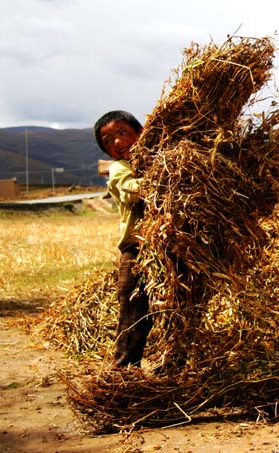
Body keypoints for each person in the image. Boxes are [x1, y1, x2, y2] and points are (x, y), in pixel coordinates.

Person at [94, 110, 152, 368]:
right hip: (136, 249)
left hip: (172, 248)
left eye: (122, 133)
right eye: (108, 142)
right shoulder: (119, 168)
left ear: (140, 133)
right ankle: (123, 372)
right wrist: (167, 181)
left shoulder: (155, 160)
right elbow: (131, 191)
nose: (117, 143)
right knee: (132, 309)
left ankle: (175, 365)